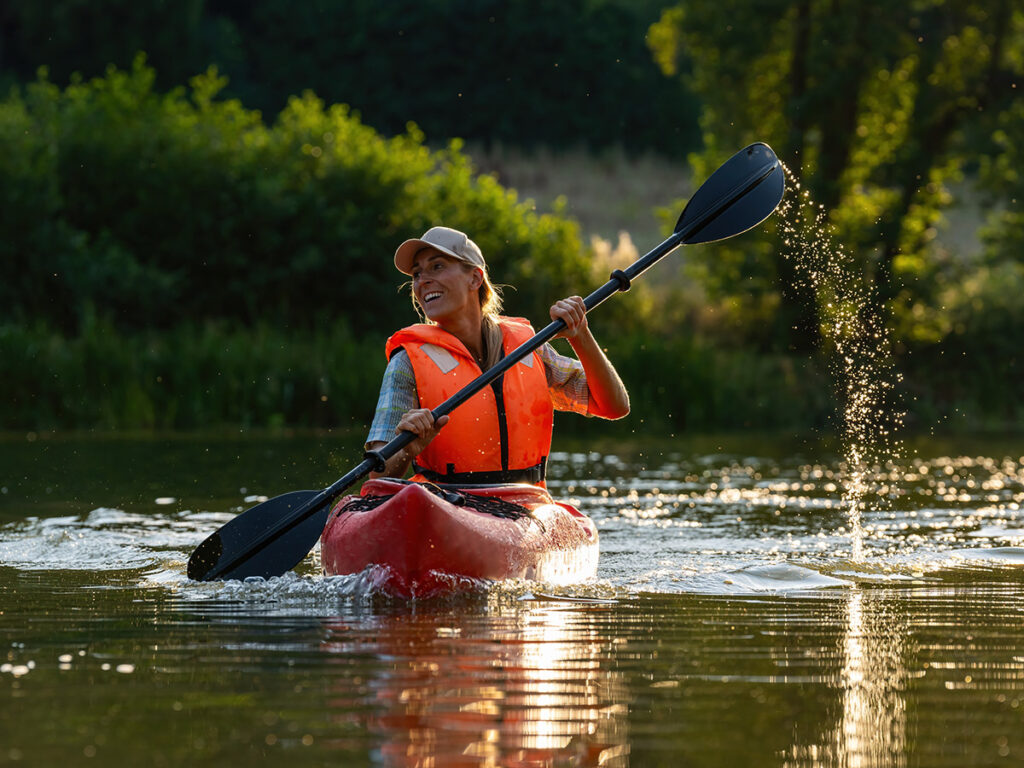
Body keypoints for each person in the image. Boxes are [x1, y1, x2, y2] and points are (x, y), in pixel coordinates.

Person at [365, 226, 629, 485]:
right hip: (446, 505)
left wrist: (581, 336)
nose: (422, 281)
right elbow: (378, 475)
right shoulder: (408, 360)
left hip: (526, 505)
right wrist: (409, 446)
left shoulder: (528, 346)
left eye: (437, 266)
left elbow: (614, 406)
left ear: (475, 278)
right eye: (416, 274)